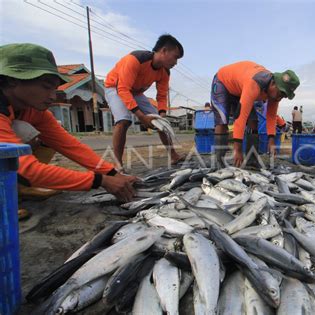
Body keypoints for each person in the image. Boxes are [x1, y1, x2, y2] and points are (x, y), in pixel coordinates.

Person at [0, 43, 138, 203]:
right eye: (46, 87)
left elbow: (71, 146)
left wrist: (113, 174)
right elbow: (25, 169)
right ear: (12, 81)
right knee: (20, 136)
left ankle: (19, 188)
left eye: (55, 89)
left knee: (38, 135)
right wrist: (100, 181)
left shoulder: (34, 111)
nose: (52, 97)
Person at [104, 34, 184, 169]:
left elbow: (162, 96)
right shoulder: (135, 60)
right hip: (115, 87)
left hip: (136, 92)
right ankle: (117, 163)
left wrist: (162, 114)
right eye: (175, 57)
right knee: (123, 121)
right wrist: (141, 116)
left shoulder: (165, 72)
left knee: (160, 122)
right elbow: (123, 89)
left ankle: (173, 155)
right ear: (164, 51)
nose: (176, 63)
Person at [210, 61, 299, 168]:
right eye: (281, 93)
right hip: (222, 82)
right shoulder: (255, 83)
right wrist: (237, 149)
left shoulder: (275, 93)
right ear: (274, 83)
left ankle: (251, 160)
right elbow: (240, 118)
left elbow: (271, 116)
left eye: (284, 96)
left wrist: (271, 141)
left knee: (253, 121)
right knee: (222, 121)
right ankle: (219, 162)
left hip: (239, 89)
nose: (280, 98)